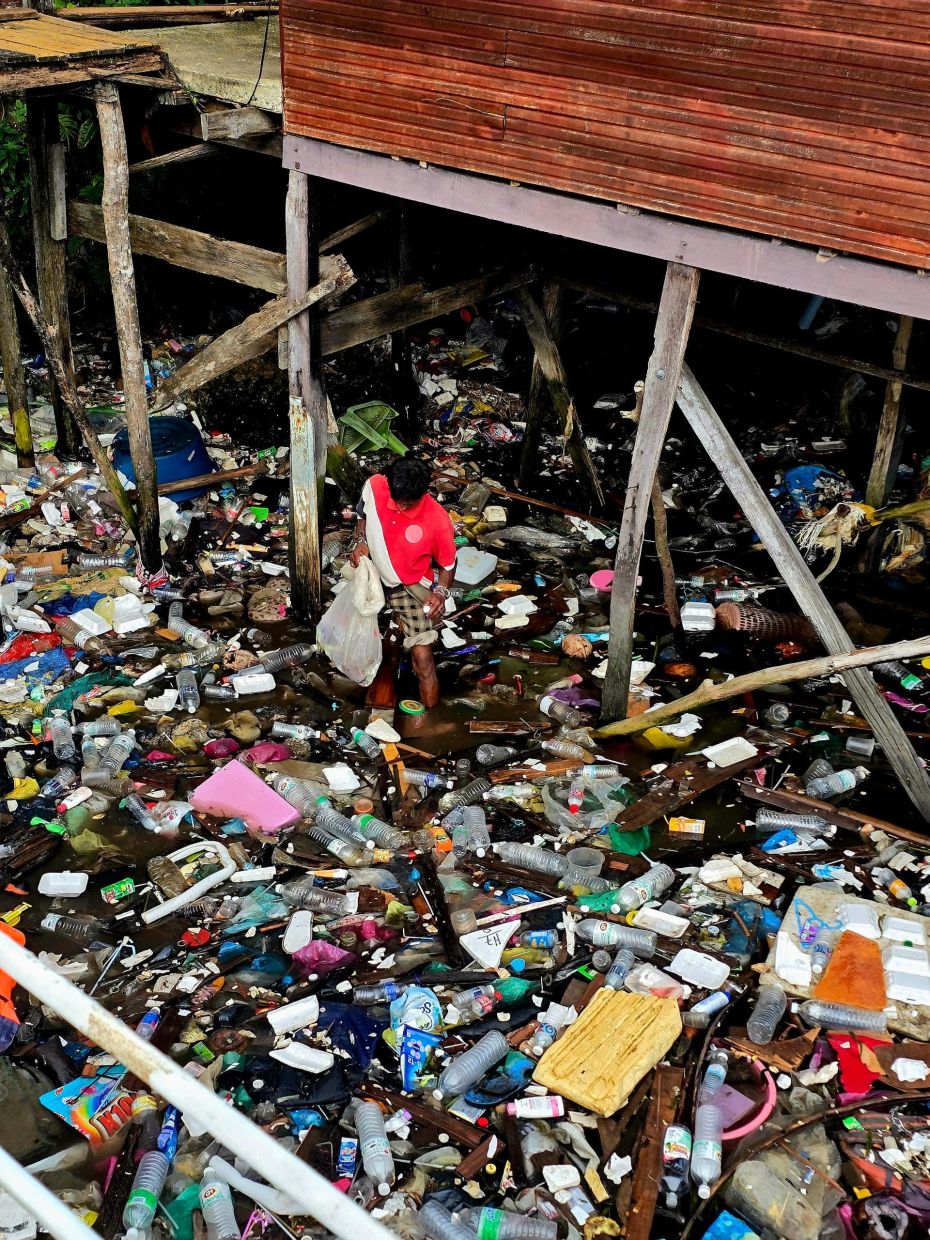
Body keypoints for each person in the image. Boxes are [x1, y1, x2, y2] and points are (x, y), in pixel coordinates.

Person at [349, 457, 456, 708]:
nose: (399, 506)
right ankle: (368, 692)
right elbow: (361, 515)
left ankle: (431, 718)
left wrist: (440, 593)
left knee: (422, 659)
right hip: (374, 574)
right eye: (396, 499)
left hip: (410, 587)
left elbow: (448, 566)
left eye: (407, 503)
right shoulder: (375, 486)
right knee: (361, 641)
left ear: (422, 494)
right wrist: (360, 541)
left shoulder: (438, 521)